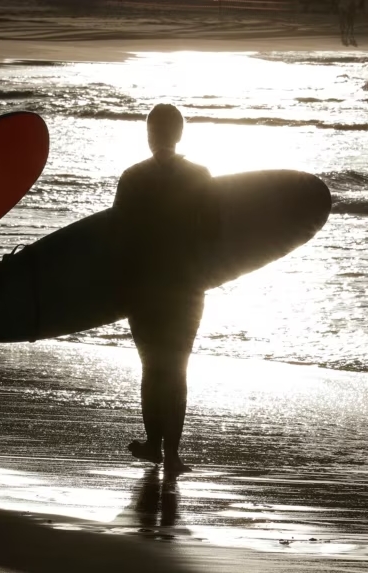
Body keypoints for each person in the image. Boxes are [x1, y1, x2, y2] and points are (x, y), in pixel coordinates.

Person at [113, 103, 218, 474]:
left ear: (149, 134)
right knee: (177, 369)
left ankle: (155, 445)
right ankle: (170, 451)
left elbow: (118, 237)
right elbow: (215, 234)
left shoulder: (132, 178)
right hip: (187, 289)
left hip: (144, 289)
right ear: (179, 134)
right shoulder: (200, 176)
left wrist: (116, 289)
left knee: (151, 368)